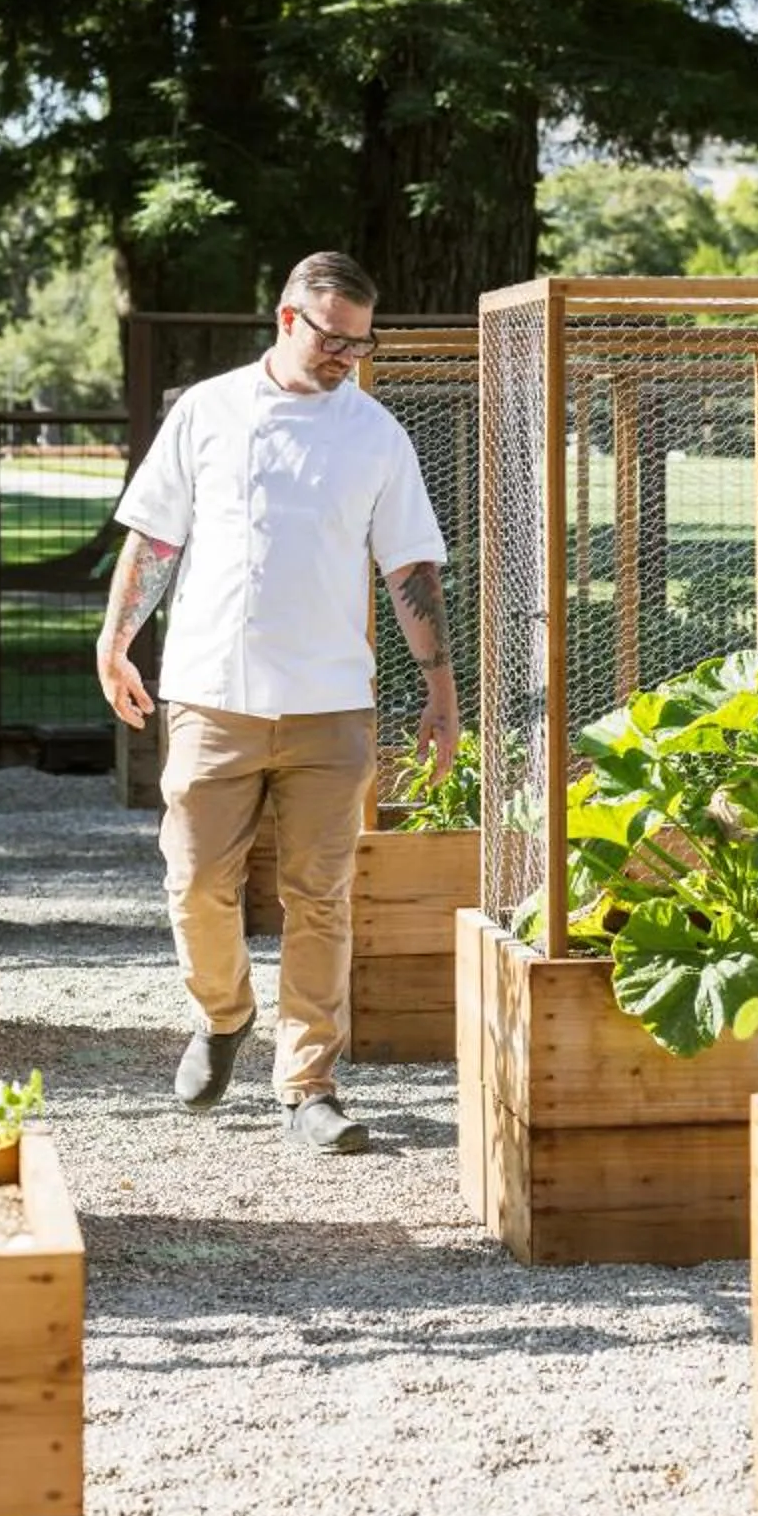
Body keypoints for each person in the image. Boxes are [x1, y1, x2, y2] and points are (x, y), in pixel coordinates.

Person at [94, 252, 460, 1154]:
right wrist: (114, 640)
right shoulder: (207, 411)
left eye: (360, 343)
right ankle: (223, 1016)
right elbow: (154, 539)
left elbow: (410, 566)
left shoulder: (376, 434)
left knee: (322, 897)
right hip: (211, 693)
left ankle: (309, 1086)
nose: (347, 356)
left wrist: (441, 690)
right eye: (333, 338)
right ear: (287, 320)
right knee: (195, 885)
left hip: (332, 702)